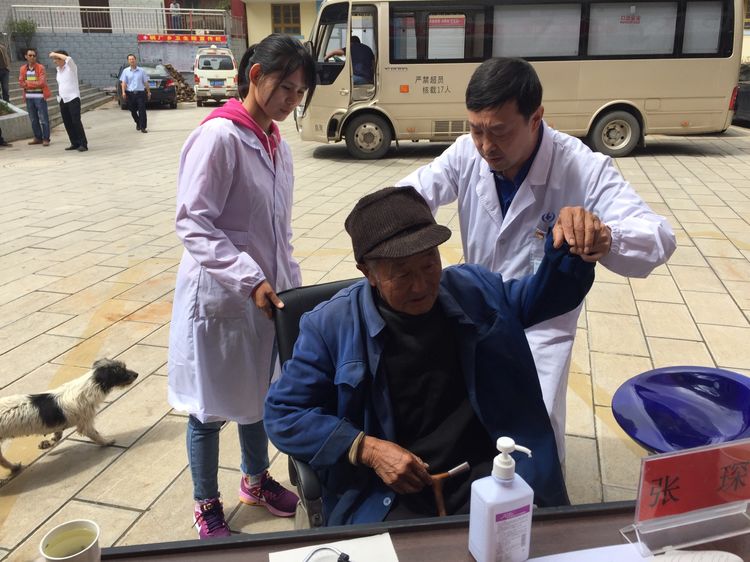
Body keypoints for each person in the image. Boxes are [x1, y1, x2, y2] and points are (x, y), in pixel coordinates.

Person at [265, 185, 602, 526]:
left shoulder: (474, 290)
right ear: (368, 273)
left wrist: (573, 249)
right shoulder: (330, 326)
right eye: (403, 274)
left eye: (429, 264)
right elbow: (283, 413)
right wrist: (367, 449)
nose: (422, 285)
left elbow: (547, 297)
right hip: (389, 493)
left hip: (487, 471)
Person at [396, 58, 676, 460]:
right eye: (476, 129)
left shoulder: (580, 165)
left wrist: (605, 235)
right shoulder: (465, 154)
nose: (486, 146)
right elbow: (411, 194)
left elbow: (658, 236)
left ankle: (542, 493)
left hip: (542, 325)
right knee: (470, 415)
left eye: (499, 131)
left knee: (533, 429)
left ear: (536, 118)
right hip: (479, 307)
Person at [167, 34, 317, 539]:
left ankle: (255, 480)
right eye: (285, 87)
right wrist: (249, 278)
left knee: (258, 392)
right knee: (209, 408)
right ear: (255, 75)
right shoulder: (220, 137)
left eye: (300, 92)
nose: (291, 100)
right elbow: (193, 221)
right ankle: (206, 503)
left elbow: (278, 230)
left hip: (266, 296)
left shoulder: (277, 144)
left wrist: (289, 287)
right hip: (220, 296)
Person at [49, 50, 88, 152]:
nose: (54, 61)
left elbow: (69, 59)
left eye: (56, 59)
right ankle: (74, 142)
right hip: (63, 99)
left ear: (62, 58)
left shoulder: (71, 67)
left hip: (73, 98)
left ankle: (83, 143)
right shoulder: (58, 70)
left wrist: (55, 53)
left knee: (76, 121)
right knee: (67, 122)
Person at [18, 48, 51, 146]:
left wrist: (27, 83)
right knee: (33, 119)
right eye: (30, 55)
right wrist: (33, 83)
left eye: (34, 55)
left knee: (43, 118)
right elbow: (21, 83)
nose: (32, 57)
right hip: (29, 98)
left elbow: (41, 83)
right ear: (26, 56)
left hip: (40, 97)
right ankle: (38, 137)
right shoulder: (23, 69)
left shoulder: (41, 68)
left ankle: (46, 138)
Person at [119, 54, 151, 133]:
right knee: (132, 110)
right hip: (130, 94)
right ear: (128, 61)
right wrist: (123, 92)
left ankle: (143, 127)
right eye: (130, 59)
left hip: (140, 93)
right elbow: (123, 83)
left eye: (133, 59)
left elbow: (146, 82)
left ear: (135, 60)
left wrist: (148, 92)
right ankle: (138, 122)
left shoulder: (141, 71)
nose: (131, 60)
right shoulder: (125, 71)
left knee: (142, 110)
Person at [0, 37, 10, 102]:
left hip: (4, 70)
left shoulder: (2, 47)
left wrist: (8, 67)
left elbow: (7, 56)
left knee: (5, 89)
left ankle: (7, 103)